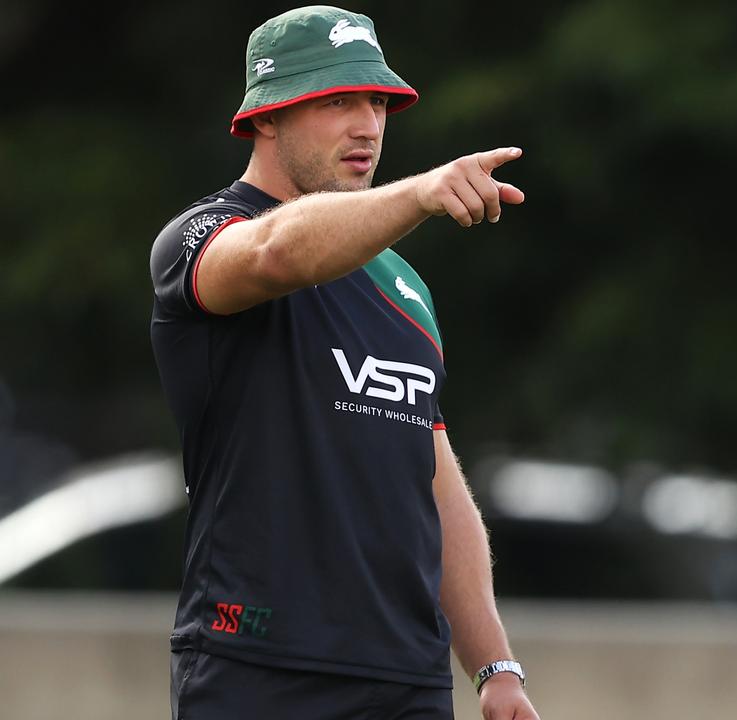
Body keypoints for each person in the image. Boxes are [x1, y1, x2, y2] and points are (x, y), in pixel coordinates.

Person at [149, 6, 537, 719]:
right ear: (265, 116)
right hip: (259, 665)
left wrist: (495, 667)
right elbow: (277, 251)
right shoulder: (201, 236)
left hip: (408, 679)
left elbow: (435, 487)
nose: (368, 125)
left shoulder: (405, 287)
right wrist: (421, 192)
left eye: (377, 102)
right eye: (336, 101)